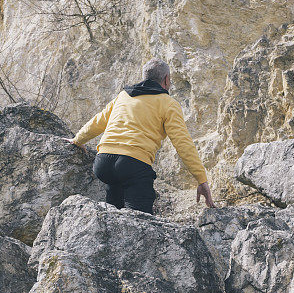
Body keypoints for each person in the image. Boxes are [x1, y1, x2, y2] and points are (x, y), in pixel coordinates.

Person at [69, 58, 215, 214]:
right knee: (140, 220)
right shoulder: (168, 103)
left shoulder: (124, 96)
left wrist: (77, 140)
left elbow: (98, 121)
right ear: (166, 80)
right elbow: (183, 144)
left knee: (113, 213)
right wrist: (201, 179)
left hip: (103, 163)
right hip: (133, 164)